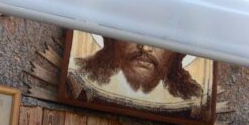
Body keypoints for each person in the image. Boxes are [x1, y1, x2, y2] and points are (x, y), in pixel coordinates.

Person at [75, 37, 203, 99]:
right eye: (135, 33)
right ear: (113, 40)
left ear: (177, 53)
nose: (145, 48)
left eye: (161, 39)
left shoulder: (192, 102)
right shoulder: (79, 79)